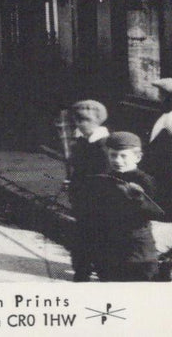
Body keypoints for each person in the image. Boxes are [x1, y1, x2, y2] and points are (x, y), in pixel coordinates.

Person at [84, 132, 165, 282]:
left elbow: (154, 212)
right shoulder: (103, 180)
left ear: (138, 157)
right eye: (113, 155)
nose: (117, 160)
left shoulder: (145, 181)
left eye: (123, 156)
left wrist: (138, 198)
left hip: (137, 252)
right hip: (109, 250)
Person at [66, 99, 111, 282]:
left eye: (82, 120)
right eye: (77, 120)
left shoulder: (103, 145)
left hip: (97, 202)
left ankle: (94, 272)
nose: (78, 124)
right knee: (83, 237)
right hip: (83, 200)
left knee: (95, 238)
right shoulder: (82, 141)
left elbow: (104, 177)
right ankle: (83, 270)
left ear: (95, 122)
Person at [145, 78, 172, 270]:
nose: (159, 99)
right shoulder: (168, 115)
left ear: (171, 98)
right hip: (167, 170)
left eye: (162, 96)